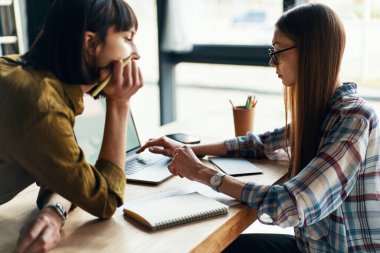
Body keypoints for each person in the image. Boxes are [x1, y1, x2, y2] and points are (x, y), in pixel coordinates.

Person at [137, 3, 380, 252]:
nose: (272, 63)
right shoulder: (323, 112)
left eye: (278, 51)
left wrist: (201, 173)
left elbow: (292, 204)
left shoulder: (353, 118)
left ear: (310, 52)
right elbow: (260, 144)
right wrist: (187, 148)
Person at [0, 0, 143, 252]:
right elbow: (106, 199)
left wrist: (53, 213)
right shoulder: (41, 104)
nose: (136, 53)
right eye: (128, 38)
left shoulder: (18, 71)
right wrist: (119, 104)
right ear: (90, 44)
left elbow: (64, 176)